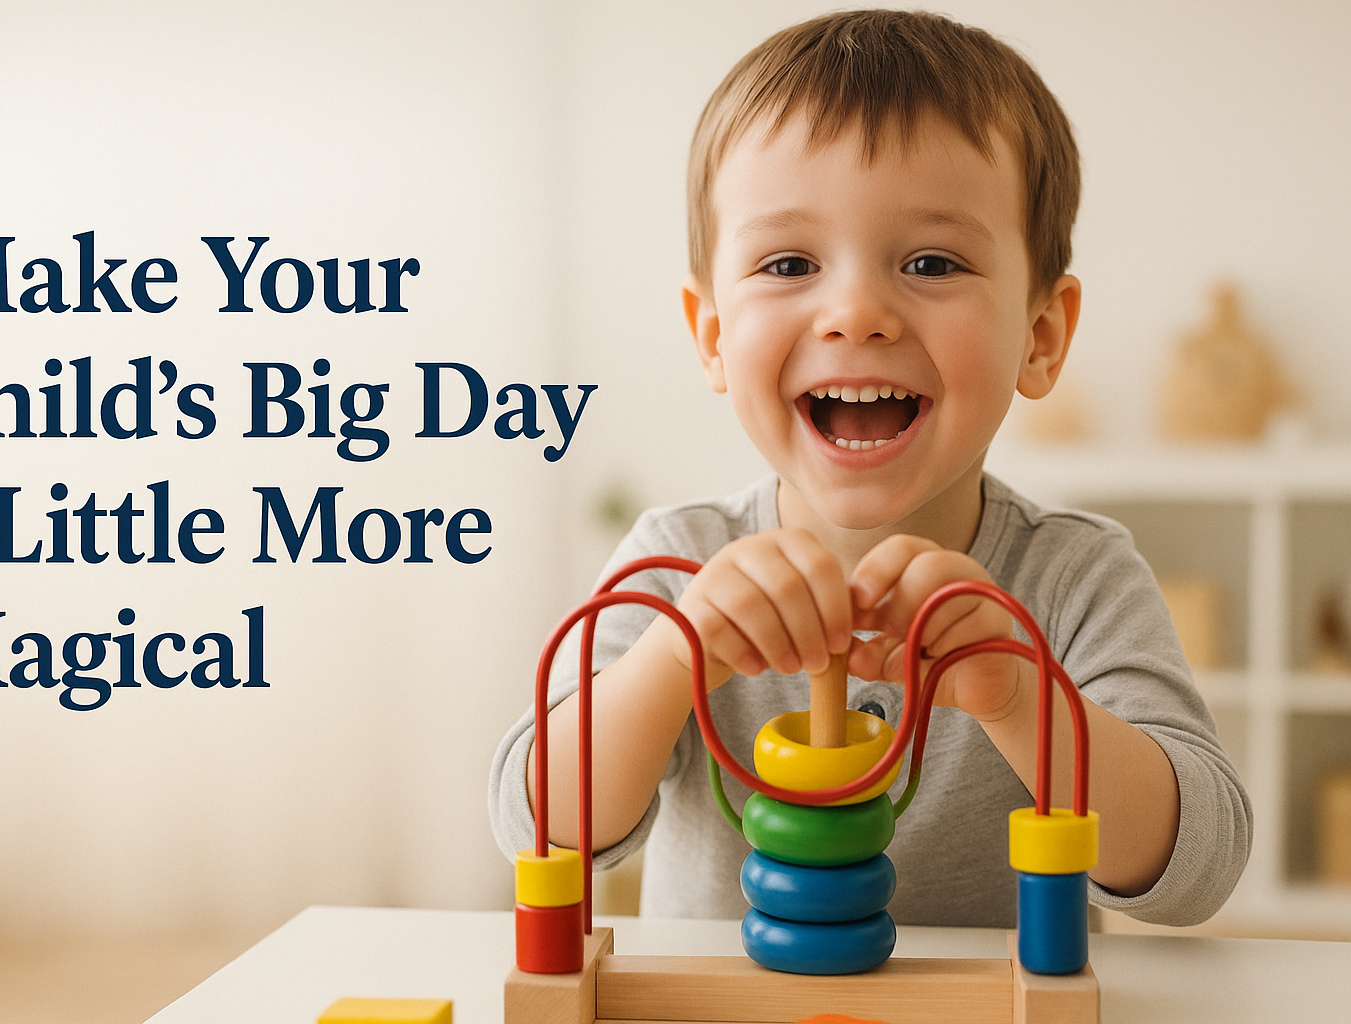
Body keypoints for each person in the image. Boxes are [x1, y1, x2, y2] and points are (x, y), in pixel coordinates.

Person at [487, 9, 1250, 928]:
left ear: (1041, 337)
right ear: (713, 335)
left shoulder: (1073, 578)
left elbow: (1200, 866)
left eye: (931, 261)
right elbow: (536, 828)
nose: (855, 311)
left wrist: (1021, 697)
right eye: (788, 262)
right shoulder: (676, 563)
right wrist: (676, 657)